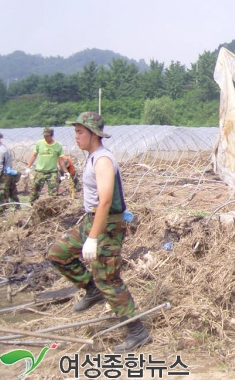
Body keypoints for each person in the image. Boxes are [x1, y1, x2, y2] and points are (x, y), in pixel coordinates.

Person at [47, 112, 151, 352]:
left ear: (94, 134)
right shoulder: (93, 157)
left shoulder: (103, 160)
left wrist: (93, 239)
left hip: (107, 226)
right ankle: (91, 288)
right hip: (92, 220)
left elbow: (105, 201)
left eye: (80, 132)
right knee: (57, 253)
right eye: (75, 132)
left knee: (108, 279)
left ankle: (137, 332)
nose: (76, 137)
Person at [26, 127, 67, 203]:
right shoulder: (39, 143)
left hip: (52, 172)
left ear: (51, 135)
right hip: (40, 171)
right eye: (44, 135)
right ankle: (31, 206)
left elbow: (61, 160)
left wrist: (65, 172)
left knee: (53, 194)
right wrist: (28, 167)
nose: (45, 137)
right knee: (34, 191)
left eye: (47, 136)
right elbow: (34, 155)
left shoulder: (58, 146)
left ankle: (53, 210)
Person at [0, 130, 21, 213]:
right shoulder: (4, 148)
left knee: (1, 194)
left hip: (3, 175)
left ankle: (0, 211)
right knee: (12, 192)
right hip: (8, 174)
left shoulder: (0, 150)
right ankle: (18, 209)